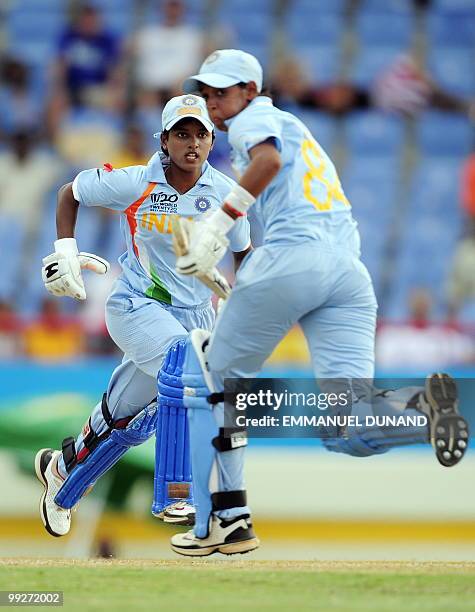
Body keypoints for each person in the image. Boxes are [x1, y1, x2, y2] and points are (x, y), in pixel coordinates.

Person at [162, 49, 469, 557]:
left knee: (206, 382)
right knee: (344, 426)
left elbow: (267, 161)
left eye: (223, 89)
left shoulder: (253, 121)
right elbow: (272, 187)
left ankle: (223, 521)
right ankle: (421, 412)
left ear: (251, 91)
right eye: (208, 89)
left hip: (292, 259)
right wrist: (223, 271)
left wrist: (213, 228)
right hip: (347, 273)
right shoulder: (292, 127)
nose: (214, 99)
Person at [34, 94, 251, 538]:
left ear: (212, 142)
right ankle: (176, 492)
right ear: (165, 141)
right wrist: (65, 251)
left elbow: (245, 252)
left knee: (127, 418)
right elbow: (69, 193)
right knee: (183, 365)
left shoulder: (227, 195)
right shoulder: (136, 182)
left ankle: (61, 475)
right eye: (181, 134)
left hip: (197, 317)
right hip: (137, 304)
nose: (192, 143)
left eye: (200, 135)